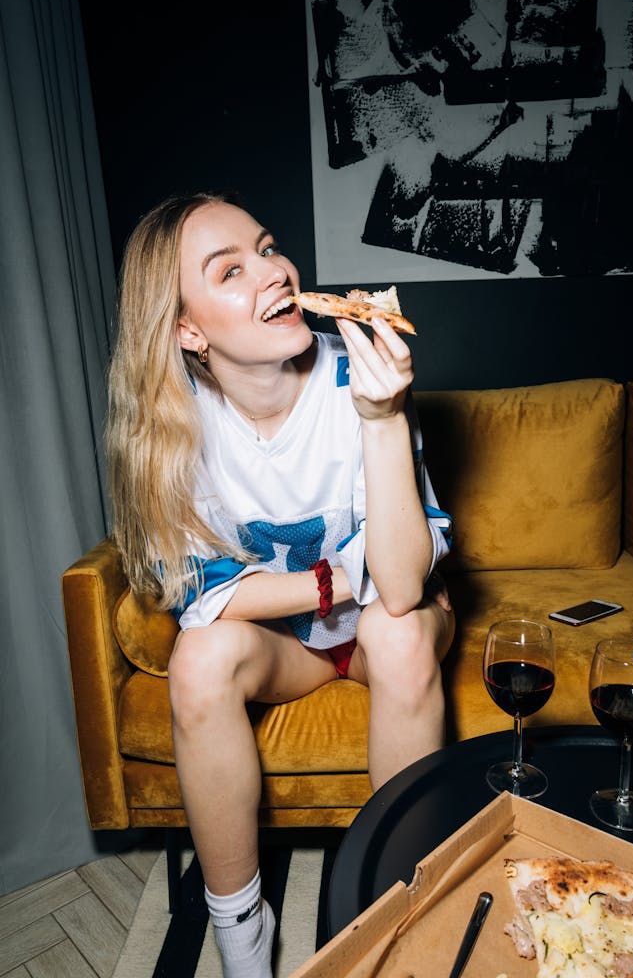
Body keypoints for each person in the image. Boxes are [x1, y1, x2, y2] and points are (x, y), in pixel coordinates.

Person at [106, 191, 455, 978]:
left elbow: (399, 588)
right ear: (188, 331)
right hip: (292, 649)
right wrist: (332, 583)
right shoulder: (175, 429)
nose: (274, 271)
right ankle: (242, 932)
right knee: (198, 658)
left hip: (383, 634)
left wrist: (382, 417)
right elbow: (196, 595)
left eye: (267, 248)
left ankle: (394, 912)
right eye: (232, 269)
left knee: (394, 631)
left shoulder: (356, 381)